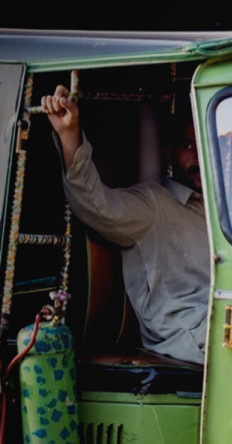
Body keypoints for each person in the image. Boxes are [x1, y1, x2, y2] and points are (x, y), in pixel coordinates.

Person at [42, 85, 210, 365]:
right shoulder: (154, 204)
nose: (197, 156)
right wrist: (69, 134)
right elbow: (95, 204)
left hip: (229, 320)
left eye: (206, 144)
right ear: (169, 155)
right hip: (186, 333)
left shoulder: (231, 211)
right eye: (187, 145)